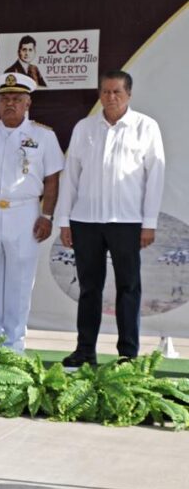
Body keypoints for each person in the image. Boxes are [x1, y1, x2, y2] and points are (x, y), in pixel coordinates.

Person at [55, 70, 165, 367]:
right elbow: (71, 177)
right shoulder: (84, 127)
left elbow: (155, 178)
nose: (111, 97)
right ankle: (84, 350)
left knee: (128, 287)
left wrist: (149, 223)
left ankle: (127, 354)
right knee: (90, 288)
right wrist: (64, 220)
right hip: (85, 221)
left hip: (127, 222)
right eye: (105, 92)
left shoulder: (146, 127)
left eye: (117, 92)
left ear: (129, 94)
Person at [0, 74, 63, 354]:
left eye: (17, 99)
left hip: (25, 213)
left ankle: (15, 343)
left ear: (28, 103)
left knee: (19, 281)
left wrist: (47, 215)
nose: (10, 104)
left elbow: (52, 180)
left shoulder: (44, 135)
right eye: (5, 99)